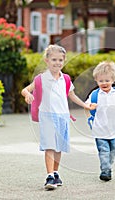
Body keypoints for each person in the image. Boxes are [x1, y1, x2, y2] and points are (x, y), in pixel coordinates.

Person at [21, 44, 95, 190]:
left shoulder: (65, 79)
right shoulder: (41, 78)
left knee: (58, 147)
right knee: (49, 145)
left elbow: (71, 95)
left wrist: (85, 105)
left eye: (60, 60)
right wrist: (28, 94)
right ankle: (49, 176)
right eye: (54, 59)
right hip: (47, 116)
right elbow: (25, 90)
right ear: (46, 60)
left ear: (64, 61)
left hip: (63, 117)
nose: (57, 63)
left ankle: (55, 173)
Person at [86, 61, 115, 181]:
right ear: (96, 80)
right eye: (101, 81)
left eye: (107, 80)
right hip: (100, 129)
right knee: (104, 151)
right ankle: (105, 171)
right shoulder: (95, 94)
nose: (104, 83)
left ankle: (108, 165)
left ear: (113, 79)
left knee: (114, 149)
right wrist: (90, 108)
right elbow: (87, 105)